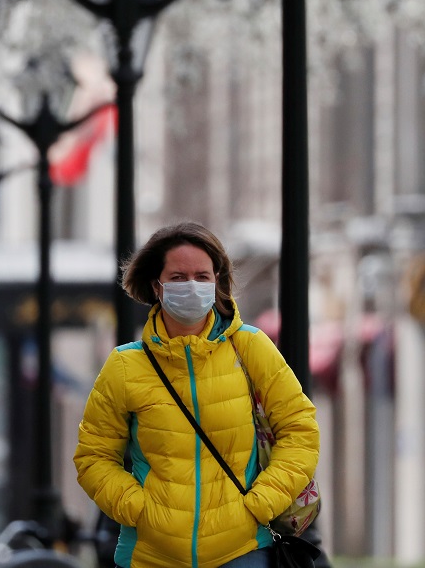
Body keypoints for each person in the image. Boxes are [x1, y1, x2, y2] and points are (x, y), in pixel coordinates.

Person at [74, 222, 320, 568]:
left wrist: (261, 503)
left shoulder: (250, 347)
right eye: (178, 277)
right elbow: (93, 457)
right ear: (156, 286)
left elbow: (300, 431)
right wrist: (138, 509)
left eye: (202, 276)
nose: (191, 286)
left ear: (217, 282)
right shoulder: (125, 365)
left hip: (243, 551)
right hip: (151, 556)